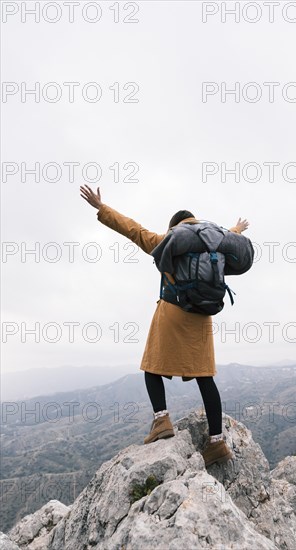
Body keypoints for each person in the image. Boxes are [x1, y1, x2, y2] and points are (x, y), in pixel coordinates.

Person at [80, 184, 250, 467]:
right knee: (205, 376)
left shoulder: (168, 240)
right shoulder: (215, 243)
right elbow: (230, 238)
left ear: (176, 228)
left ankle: (161, 421)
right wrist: (237, 228)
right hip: (202, 315)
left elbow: (133, 230)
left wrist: (102, 207)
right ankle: (217, 442)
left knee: (152, 366)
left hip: (173, 311)